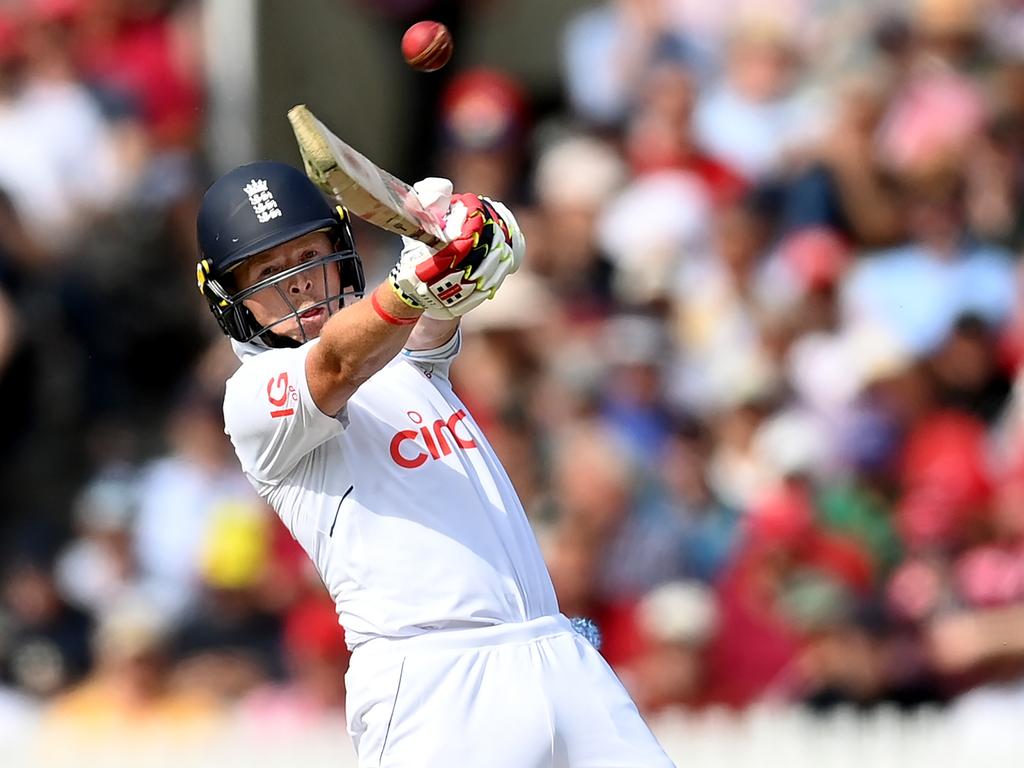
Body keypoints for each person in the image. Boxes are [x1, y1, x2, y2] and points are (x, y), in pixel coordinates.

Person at [194, 160, 674, 767]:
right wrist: (414, 283)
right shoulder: (252, 396)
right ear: (232, 300)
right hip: (433, 684)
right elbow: (338, 365)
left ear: (340, 253)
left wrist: (453, 236)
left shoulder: (396, 354)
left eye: (308, 256)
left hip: (556, 647)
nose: (298, 285)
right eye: (269, 272)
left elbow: (428, 315)